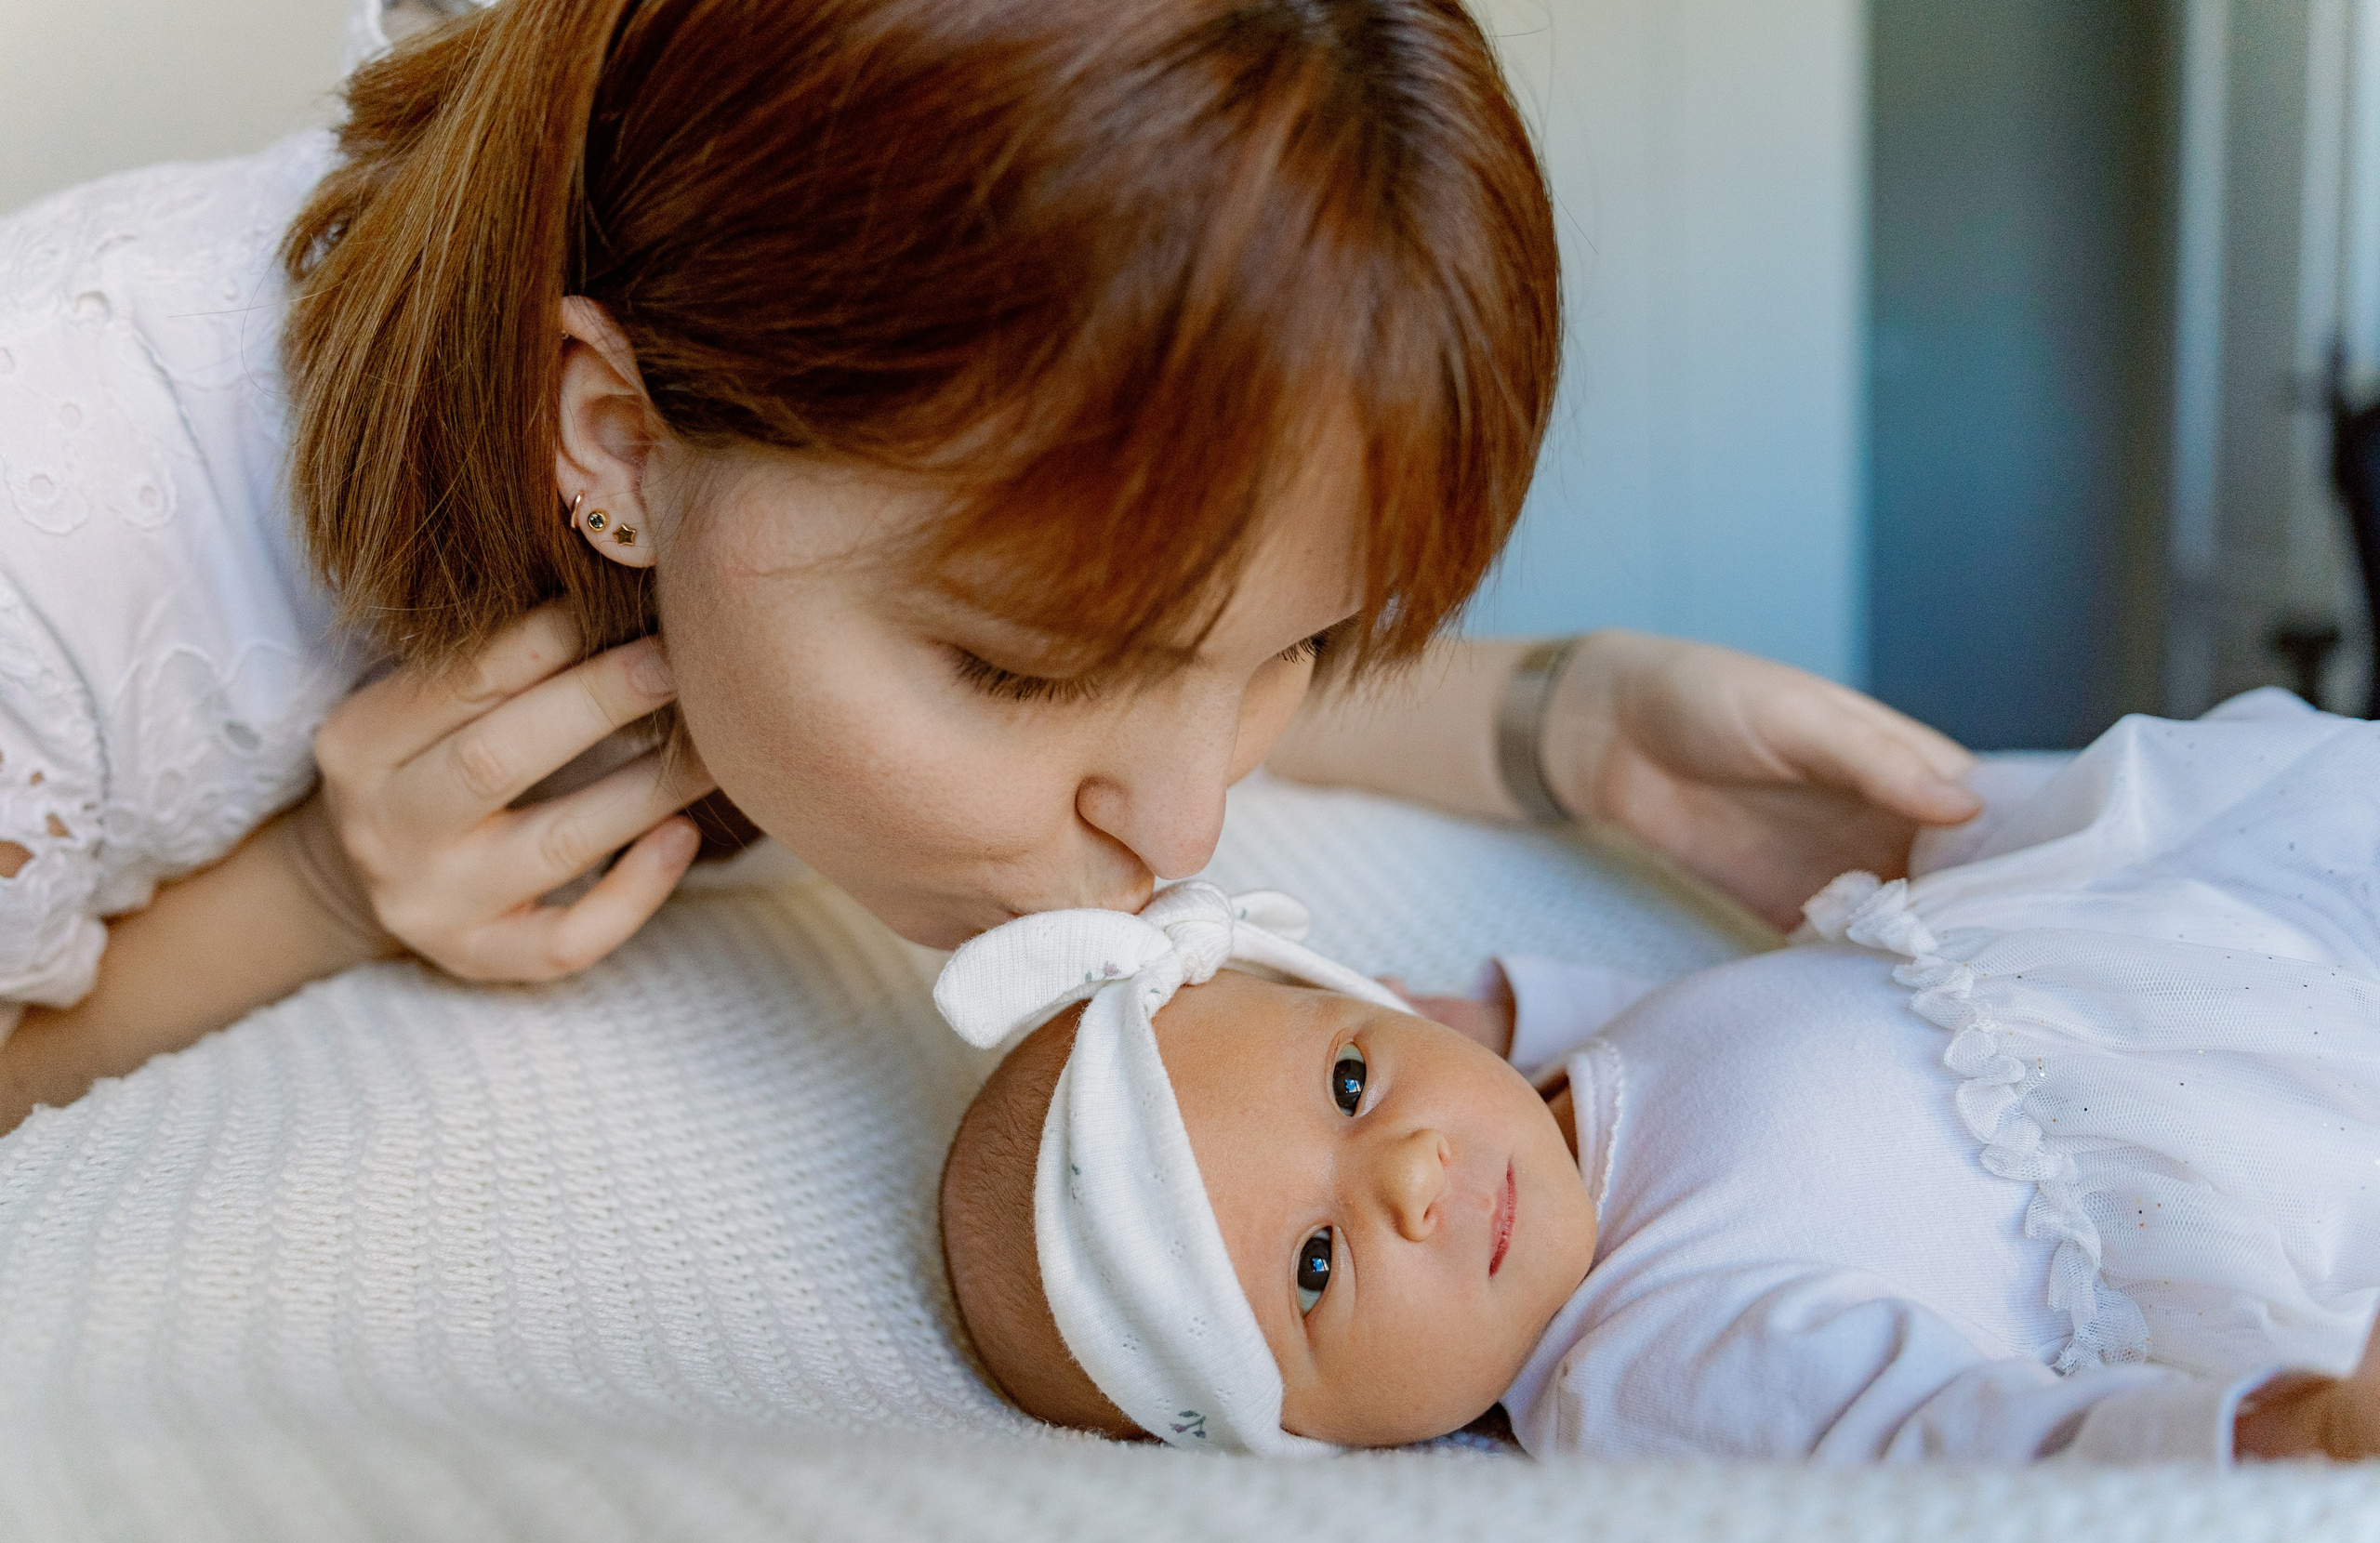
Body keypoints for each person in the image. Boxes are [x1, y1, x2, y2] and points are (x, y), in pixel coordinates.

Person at [0, 0, 1977, 1135]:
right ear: (611, 434)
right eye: (1020, 674)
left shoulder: (762, 459)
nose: (1188, 831)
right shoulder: (54, 525)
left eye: (1298, 649)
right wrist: (319, 895)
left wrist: (1569, 718)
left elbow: (1159, 635)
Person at [936, 693, 2380, 1465]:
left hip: (2118, 967)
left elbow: (1682, 1034)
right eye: (1315, 1267)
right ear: (1300, 1430)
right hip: (2207, 1157)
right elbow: (1936, 1441)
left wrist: (1500, 1010)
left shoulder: (1549, 1100)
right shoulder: (1640, 1363)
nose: (1412, 1173)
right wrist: (2278, 1439)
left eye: (1353, 1082)